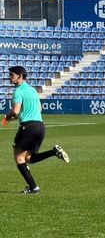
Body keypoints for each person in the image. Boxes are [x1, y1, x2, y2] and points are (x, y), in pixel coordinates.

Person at [7, 66, 69, 195]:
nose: (10, 77)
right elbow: (39, 109)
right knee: (30, 158)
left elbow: (15, 111)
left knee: (19, 158)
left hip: (27, 127)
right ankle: (53, 152)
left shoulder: (18, 91)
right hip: (40, 127)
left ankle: (33, 187)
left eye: (12, 74)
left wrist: (9, 117)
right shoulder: (32, 90)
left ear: (20, 76)